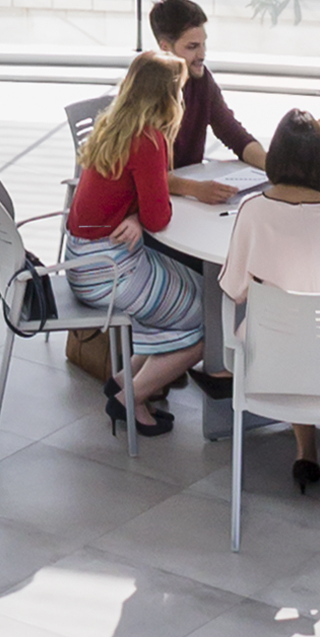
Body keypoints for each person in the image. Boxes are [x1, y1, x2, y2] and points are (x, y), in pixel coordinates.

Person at [62, 53, 210, 437]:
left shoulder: (112, 124)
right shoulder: (148, 139)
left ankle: (123, 380)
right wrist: (142, 217)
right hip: (108, 271)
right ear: (167, 96)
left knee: (196, 291)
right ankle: (130, 398)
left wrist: (135, 216)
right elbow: (159, 217)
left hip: (81, 259)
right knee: (210, 320)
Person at [220, 104, 320, 493]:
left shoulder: (252, 210)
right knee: (305, 320)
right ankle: (306, 450)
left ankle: (304, 447)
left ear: (275, 158)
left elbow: (234, 288)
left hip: (269, 359)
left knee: (280, 323)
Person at [150, 0, 264, 169]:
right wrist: (201, 185)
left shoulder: (201, 81)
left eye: (203, 44)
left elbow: (234, 135)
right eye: (192, 47)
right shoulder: (146, 90)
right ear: (165, 47)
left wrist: (274, 169)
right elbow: (149, 171)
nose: (202, 54)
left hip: (187, 182)